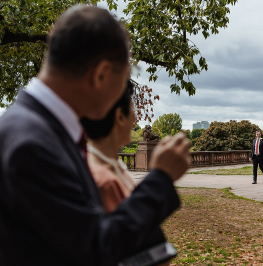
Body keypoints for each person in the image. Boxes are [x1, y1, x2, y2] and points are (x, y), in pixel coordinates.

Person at [0, 5, 190, 266]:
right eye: (124, 79)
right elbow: (95, 248)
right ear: (101, 74)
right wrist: (161, 178)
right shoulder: (31, 144)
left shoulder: (33, 127)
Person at [81, 79, 136, 213]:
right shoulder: (104, 181)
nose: (134, 119)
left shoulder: (113, 166)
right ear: (120, 117)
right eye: (132, 109)